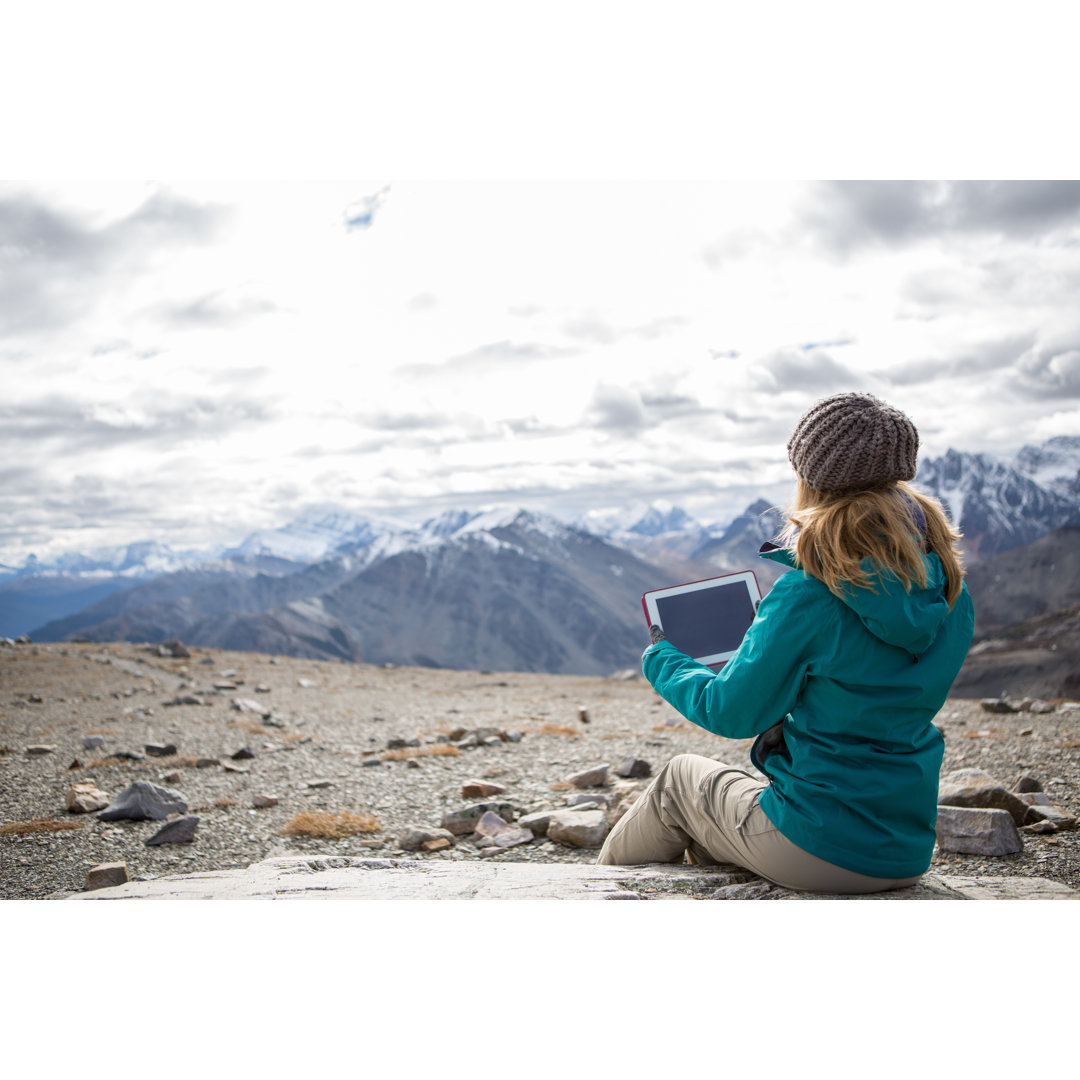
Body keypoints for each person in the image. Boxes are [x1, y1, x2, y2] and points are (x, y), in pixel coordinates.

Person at [597, 392, 975, 893]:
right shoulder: (949, 584)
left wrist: (662, 658)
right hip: (903, 845)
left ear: (811, 477)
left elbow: (731, 714)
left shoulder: (809, 593)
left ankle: (592, 893)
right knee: (718, 812)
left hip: (820, 842)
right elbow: (869, 682)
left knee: (678, 781)